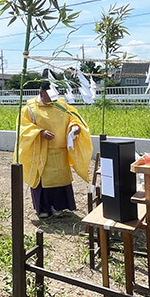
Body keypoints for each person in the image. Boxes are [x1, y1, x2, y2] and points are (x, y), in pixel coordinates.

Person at [16, 81, 93, 218]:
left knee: (60, 181)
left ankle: (59, 207)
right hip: (42, 152)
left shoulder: (62, 105)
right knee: (43, 182)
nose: (53, 100)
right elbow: (23, 127)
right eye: (49, 96)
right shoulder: (29, 109)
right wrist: (40, 132)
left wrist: (74, 127)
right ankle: (44, 208)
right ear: (41, 93)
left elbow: (73, 118)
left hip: (60, 151)